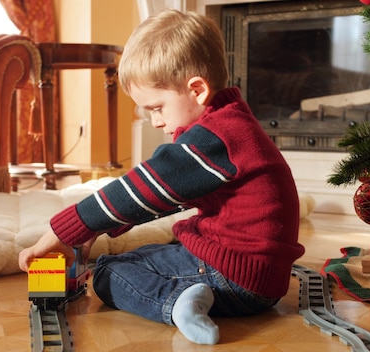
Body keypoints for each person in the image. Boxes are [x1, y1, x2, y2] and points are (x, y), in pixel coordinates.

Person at [19, 9, 305, 345]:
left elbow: (138, 189)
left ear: (196, 89)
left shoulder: (213, 138)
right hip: (261, 280)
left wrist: (60, 231)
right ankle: (189, 294)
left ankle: (177, 302)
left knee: (109, 272)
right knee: (143, 254)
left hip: (234, 276)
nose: (155, 121)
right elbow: (167, 196)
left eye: (157, 108)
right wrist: (102, 226)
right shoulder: (232, 125)